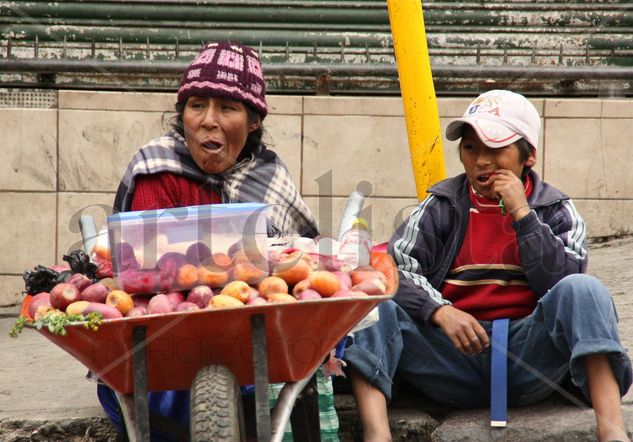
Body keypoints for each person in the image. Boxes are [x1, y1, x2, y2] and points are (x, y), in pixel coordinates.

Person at [342, 90, 632, 442]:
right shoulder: (441, 207)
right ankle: (377, 434)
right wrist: (439, 311)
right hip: (450, 361)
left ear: (529, 156)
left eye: (496, 149)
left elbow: (561, 281)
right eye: (470, 148)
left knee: (586, 290)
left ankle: (613, 432)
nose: (481, 161)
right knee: (374, 302)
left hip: (530, 360)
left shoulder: (556, 210)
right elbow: (394, 271)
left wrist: (523, 215)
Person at [97, 41, 339, 441]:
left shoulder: (267, 175)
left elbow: (300, 257)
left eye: (227, 108)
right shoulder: (157, 171)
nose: (208, 120)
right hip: (166, 350)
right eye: (196, 105)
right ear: (182, 114)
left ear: (254, 121)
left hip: (256, 340)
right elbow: (149, 280)